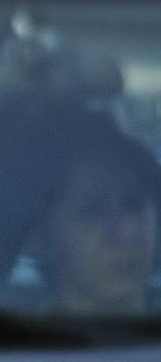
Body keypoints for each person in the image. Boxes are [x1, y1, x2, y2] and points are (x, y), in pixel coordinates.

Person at [22, 112, 161, 316]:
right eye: (92, 212)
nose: (125, 232)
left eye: (134, 205)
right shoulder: (11, 343)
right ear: (42, 238)